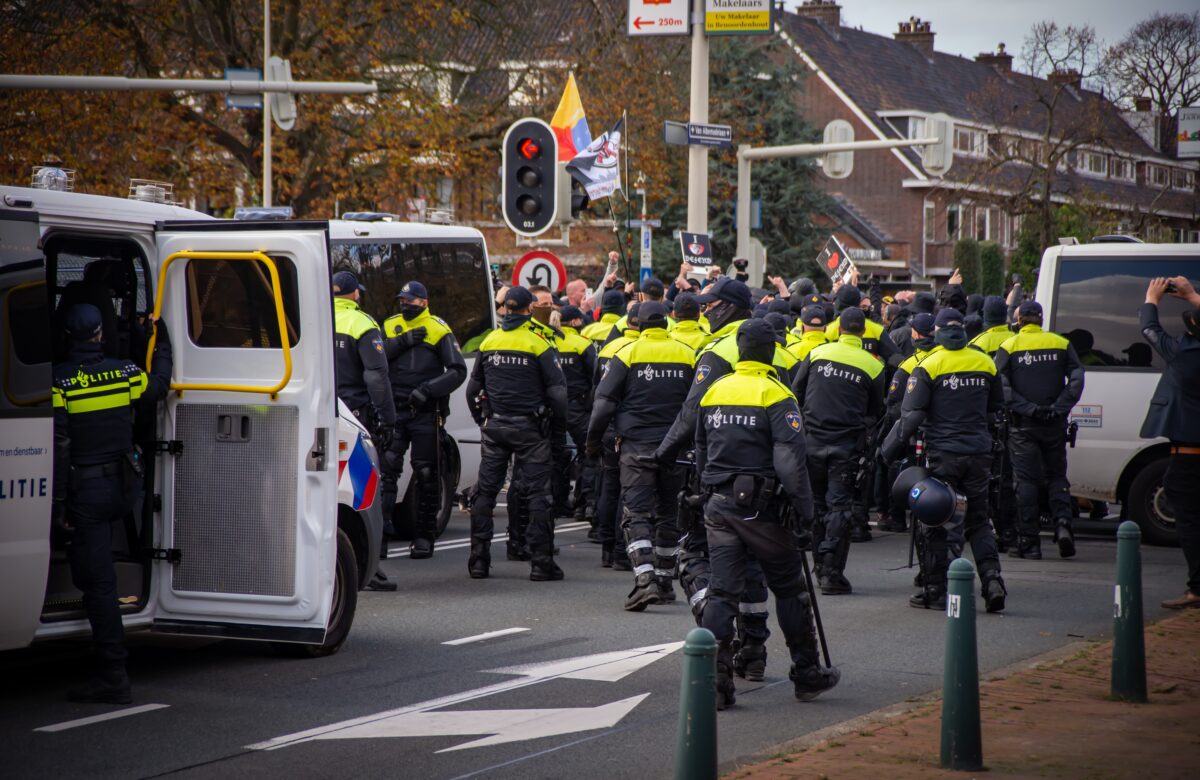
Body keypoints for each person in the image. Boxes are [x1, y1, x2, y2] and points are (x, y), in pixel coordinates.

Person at [695, 319, 840, 709]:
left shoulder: (714, 391)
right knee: (791, 590)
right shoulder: (776, 394)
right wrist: (806, 515)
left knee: (723, 592)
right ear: (771, 352)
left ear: (740, 350)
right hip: (765, 511)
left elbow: (701, 452)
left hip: (719, 506)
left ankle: (716, 682)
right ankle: (807, 674)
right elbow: (792, 465)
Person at [51, 304, 172, 704]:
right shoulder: (124, 373)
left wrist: (59, 507)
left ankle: (113, 677)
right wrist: (161, 341)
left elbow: (61, 446)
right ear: (101, 335)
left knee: (99, 586)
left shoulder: (60, 383)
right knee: (100, 576)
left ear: (68, 336)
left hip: (85, 495)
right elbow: (157, 385)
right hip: (123, 489)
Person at [882, 308, 1007, 613]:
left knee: (936, 519)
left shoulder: (930, 364)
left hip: (943, 456)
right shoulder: (985, 362)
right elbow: (996, 410)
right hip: (979, 453)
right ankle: (992, 582)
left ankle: (937, 591)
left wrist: (886, 451)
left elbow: (910, 416)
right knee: (978, 520)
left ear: (936, 332)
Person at [587, 302, 695, 610]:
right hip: (675, 448)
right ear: (667, 323)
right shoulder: (688, 353)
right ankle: (663, 582)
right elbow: (695, 404)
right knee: (668, 513)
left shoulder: (627, 353)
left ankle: (645, 580)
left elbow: (604, 402)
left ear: (638, 325)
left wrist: (593, 442)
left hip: (636, 446)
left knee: (636, 513)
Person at [465, 286, 567, 580]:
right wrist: (558, 432)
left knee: (485, 493)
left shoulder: (490, 340)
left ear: (507, 309)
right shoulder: (538, 342)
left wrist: (481, 419)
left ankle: (479, 561)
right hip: (530, 430)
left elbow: (473, 388)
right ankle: (540, 563)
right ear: (528, 310)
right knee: (539, 495)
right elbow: (558, 394)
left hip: (495, 428)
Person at [792, 308, 886, 595]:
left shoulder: (818, 354)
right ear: (863, 333)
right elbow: (876, 411)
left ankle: (821, 565)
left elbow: (796, 391)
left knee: (819, 505)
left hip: (813, 442)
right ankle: (831, 571)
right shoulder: (874, 366)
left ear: (838, 329)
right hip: (847, 446)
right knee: (839, 506)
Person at [379, 280, 467, 559]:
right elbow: (376, 358)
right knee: (386, 472)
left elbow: (457, 370)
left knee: (427, 474)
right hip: (394, 411)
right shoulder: (390, 324)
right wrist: (401, 342)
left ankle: (424, 536)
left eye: (412, 301)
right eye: (403, 300)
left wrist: (428, 390)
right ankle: (380, 534)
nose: (406, 305)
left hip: (424, 413)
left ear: (424, 302)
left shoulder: (438, 329)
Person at [994, 301, 1085, 559]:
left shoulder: (1009, 346)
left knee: (1026, 482)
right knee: (1057, 476)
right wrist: (1059, 407)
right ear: (1040, 320)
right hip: (1055, 423)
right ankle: (1063, 525)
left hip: (1024, 425)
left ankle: (1030, 543)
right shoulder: (1060, 343)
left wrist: (1029, 409)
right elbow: (1077, 377)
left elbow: (1003, 387)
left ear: (1020, 320)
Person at [333, 270, 397, 591]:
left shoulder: (309, 315)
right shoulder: (362, 324)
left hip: (317, 411)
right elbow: (376, 376)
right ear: (355, 294)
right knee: (362, 489)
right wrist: (388, 418)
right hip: (353, 419)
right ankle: (369, 567)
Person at [1139, 277, 1200, 609]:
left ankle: (1197, 588)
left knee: (1189, 520)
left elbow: (1150, 330)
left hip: (1188, 456)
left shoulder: (1185, 354)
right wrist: (1192, 295)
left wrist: (1151, 298)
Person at [592, 303, 642, 569]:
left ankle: (606, 547)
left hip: (609, 427)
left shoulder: (609, 349)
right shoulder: (646, 350)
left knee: (609, 485)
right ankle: (623, 552)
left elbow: (596, 392)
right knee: (627, 491)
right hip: (633, 431)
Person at [879, 313, 938, 533]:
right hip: (939, 429)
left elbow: (894, 403)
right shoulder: (944, 357)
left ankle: (897, 516)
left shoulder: (908, 365)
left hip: (911, 428)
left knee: (898, 466)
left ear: (915, 334)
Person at [969, 295, 1019, 550]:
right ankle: (1009, 530)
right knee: (1010, 476)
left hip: (987, 420)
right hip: (1018, 416)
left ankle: (986, 525)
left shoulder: (977, 343)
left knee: (988, 479)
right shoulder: (1015, 341)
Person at [556, 305, 599, 535]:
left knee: (555, 454)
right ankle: (586, 504)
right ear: (574, 322)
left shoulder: (548, 342)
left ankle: (559, 502)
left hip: (552, 408)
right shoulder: (582, 344)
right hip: (577, 408)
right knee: (589, 454)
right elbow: (596, 377)